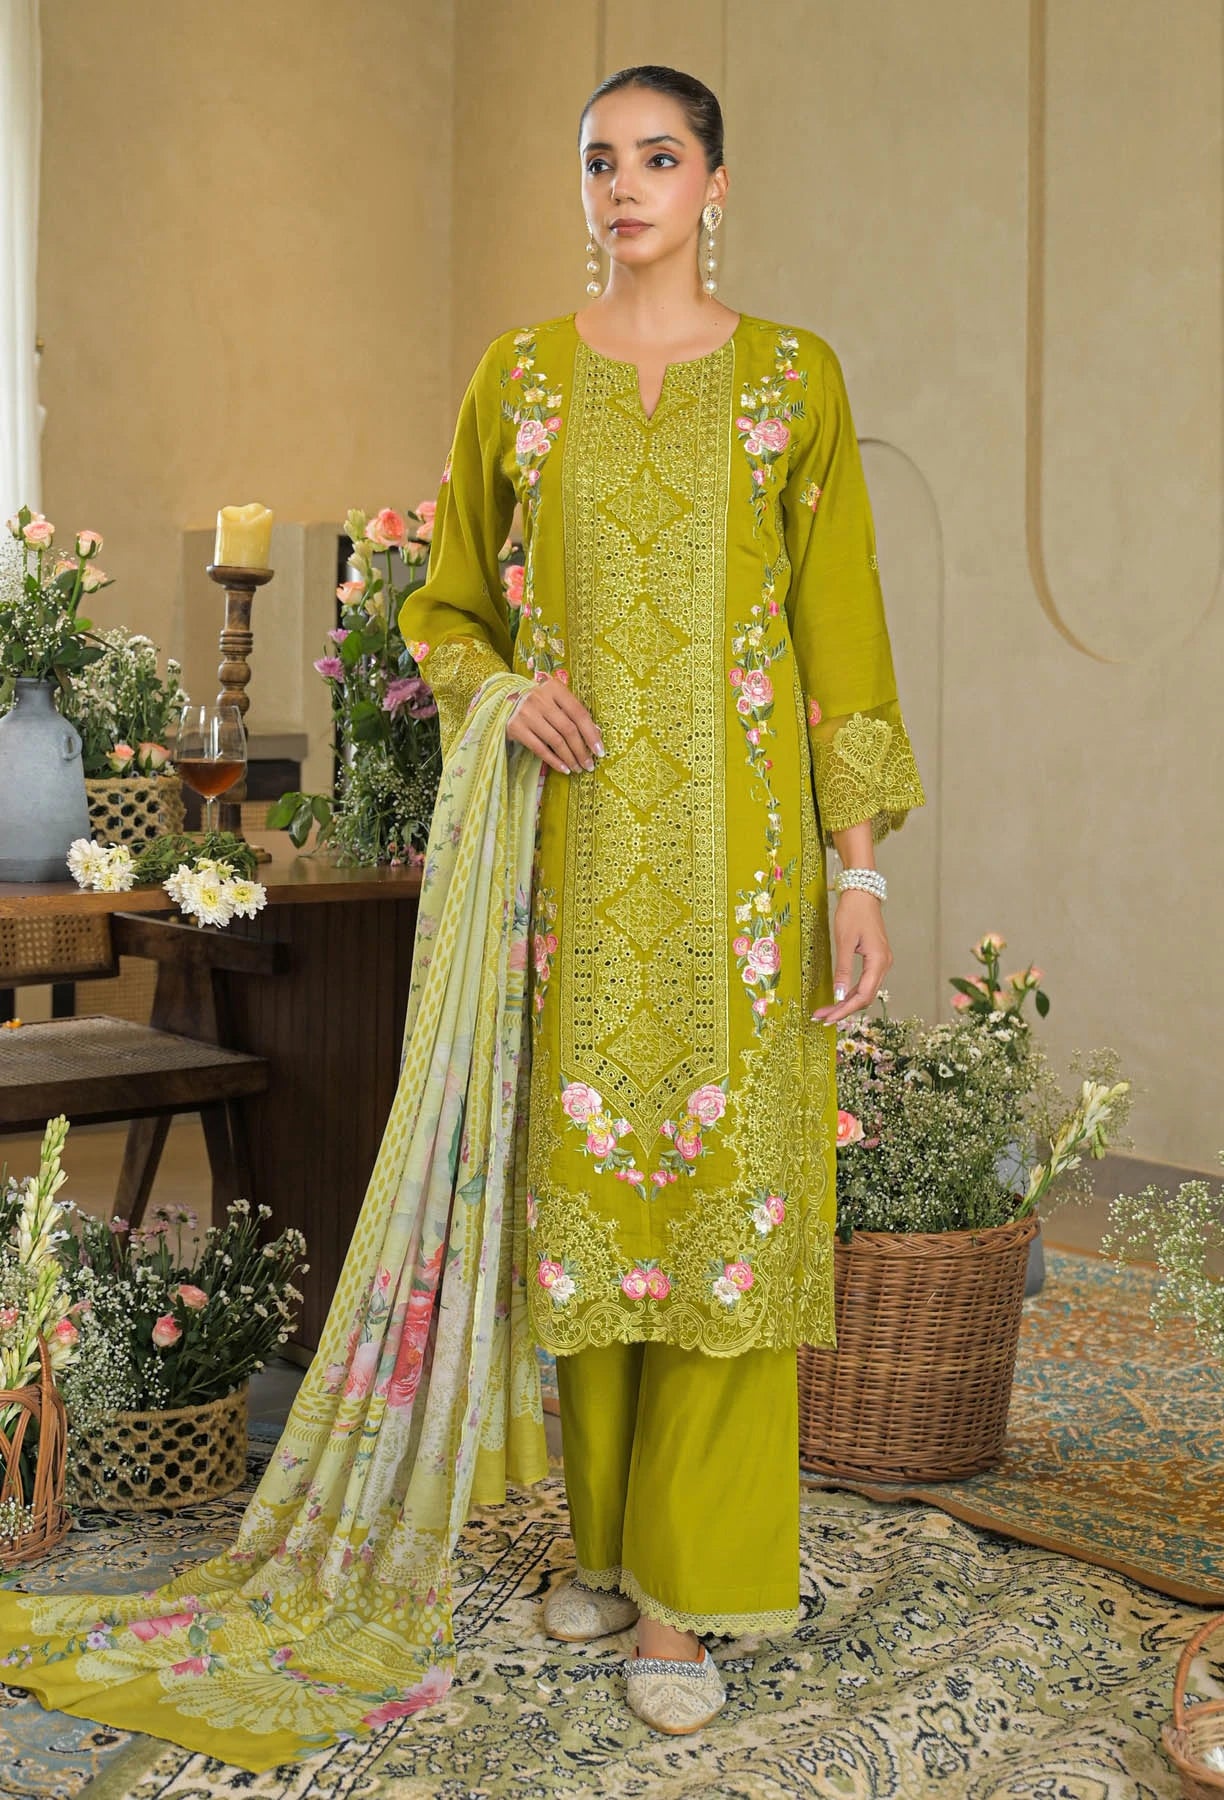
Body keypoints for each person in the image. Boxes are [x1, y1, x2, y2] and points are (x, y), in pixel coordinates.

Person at [400, 63, 926, 1734]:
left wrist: (859, 868)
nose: (622, 186)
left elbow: (841, 634)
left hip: (743, 882)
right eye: (598, 161)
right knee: (595, 1211)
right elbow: (444, 609)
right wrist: (500, 698)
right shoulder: (519, 380)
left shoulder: (792, 381)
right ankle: (606, 1543)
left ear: (715, 184)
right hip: (573, 869)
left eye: (657, 157)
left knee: (724, 1211)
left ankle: (683, 1606)